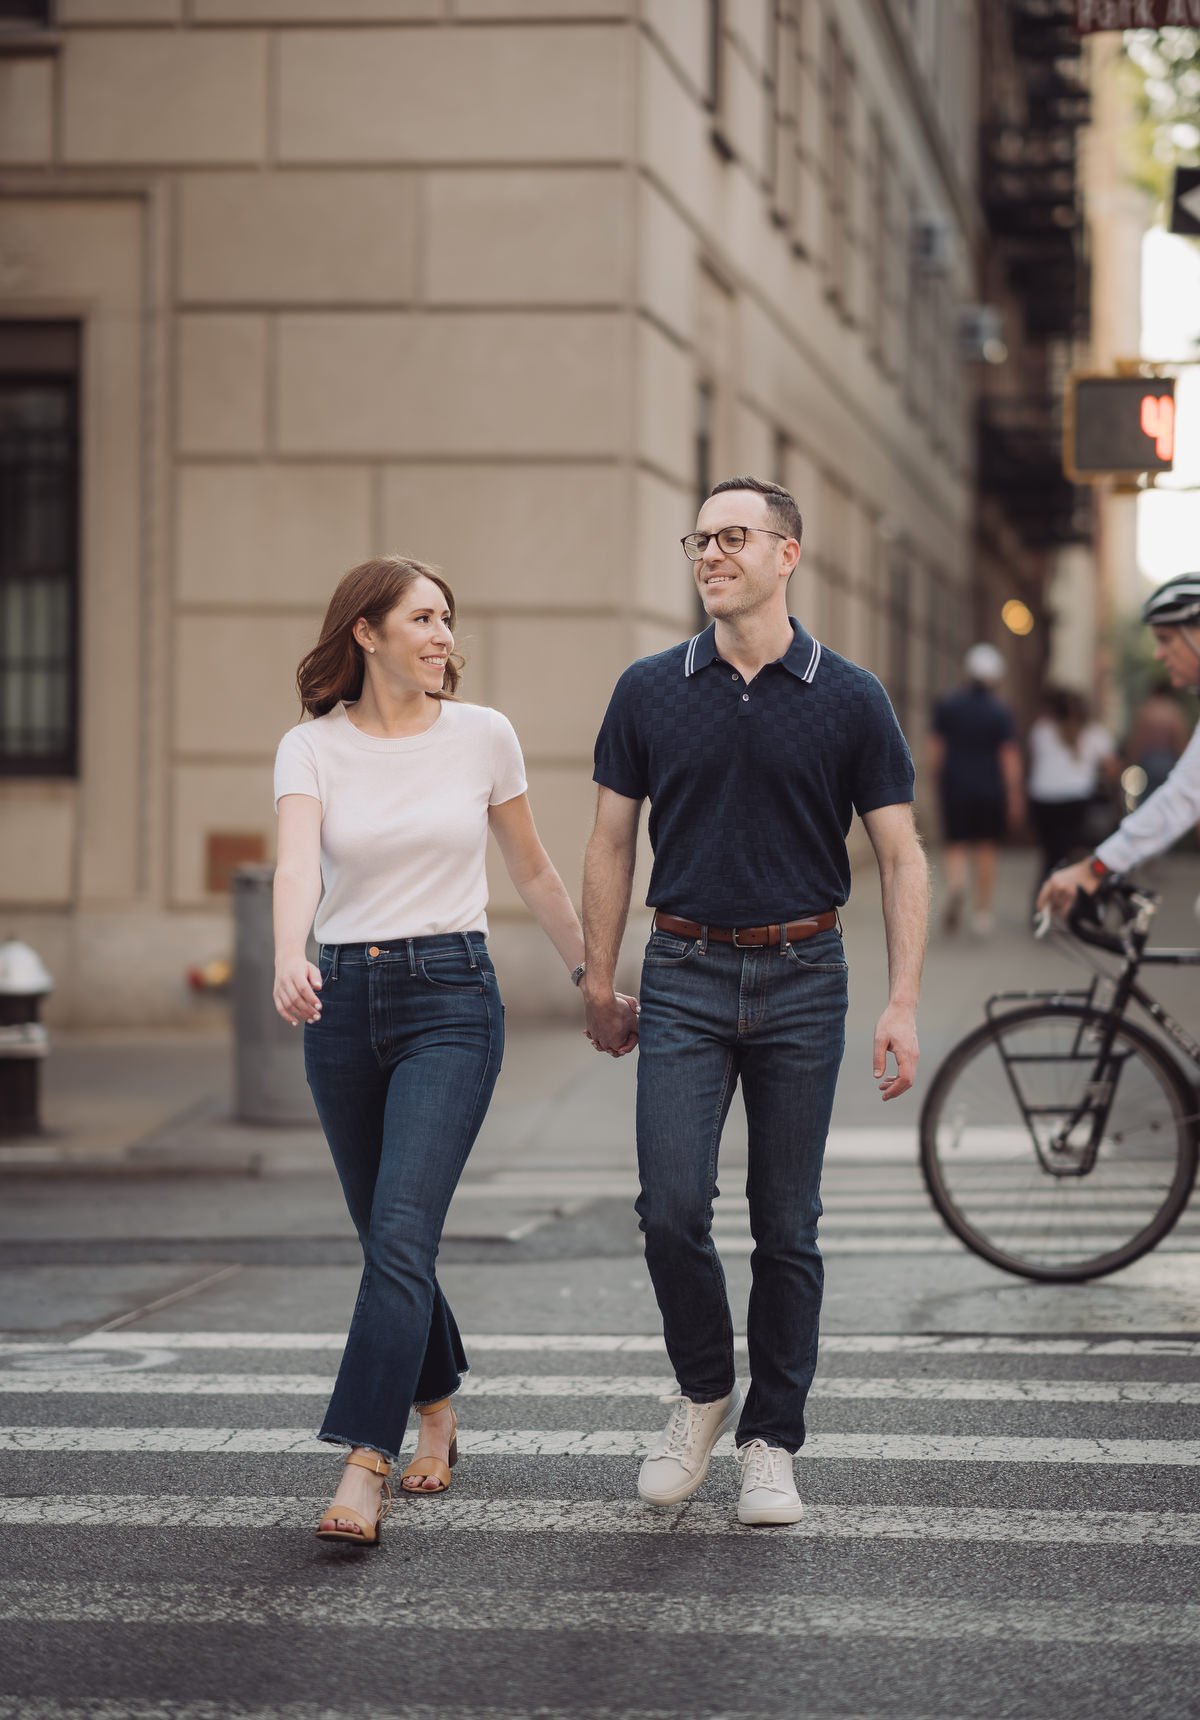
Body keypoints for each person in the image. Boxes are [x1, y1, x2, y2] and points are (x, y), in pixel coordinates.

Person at [580, 476, 928, 1526]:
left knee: (789, 1227)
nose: (711, 554)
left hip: (804, 977)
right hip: (681, 972)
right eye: (701, 538)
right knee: (672, 1209)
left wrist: (901, 1001)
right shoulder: (648, 688)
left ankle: (772, 1438)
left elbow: (902, 857)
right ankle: (702, 1391)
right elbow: (608, 842)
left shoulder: (851, 694)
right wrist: (599, 979)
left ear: (788, 554)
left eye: (735, 536)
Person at [273, 555, 633, 1546]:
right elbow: (297, 862)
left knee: (398, 1231)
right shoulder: (310, 750)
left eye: (447, 619)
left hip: (451, 1001)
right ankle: (439, 1406)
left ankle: (363, 1461)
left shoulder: (484, 737)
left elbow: (534, 868)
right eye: (423, 618)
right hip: (343, 1004)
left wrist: (592, 981)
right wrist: (284, 958)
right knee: (392, 1237)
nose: (443, 635)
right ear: (368, 632)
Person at [1040, 573, 1200, 916]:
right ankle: (1157, 859)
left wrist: (1095, 868)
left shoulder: (1147, 711)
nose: (1158, 654)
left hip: (1157, 767)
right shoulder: (1173, 711)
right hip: (1167, 765)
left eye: (1167, 639)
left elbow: (1183, 796)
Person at [926, 643, 1023, 937]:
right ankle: (982, 913)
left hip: (955, 785)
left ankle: (957, 885)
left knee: (956, 844)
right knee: (985, 848)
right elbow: (1008, 755)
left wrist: (935, 781)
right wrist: (1014, 793)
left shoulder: (948, 705)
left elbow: (935, 749)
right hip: (990, 788)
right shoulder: (1000, 711)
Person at [1026, 686, 1118, 887]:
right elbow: (1112, 768)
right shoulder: (1095, 734)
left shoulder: (1041, 731)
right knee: (1069, 854)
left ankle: (1043, 902)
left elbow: (1035, 761)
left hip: (1042, 798)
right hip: (1075, 801)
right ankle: (1066, 897)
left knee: (1049, 856)